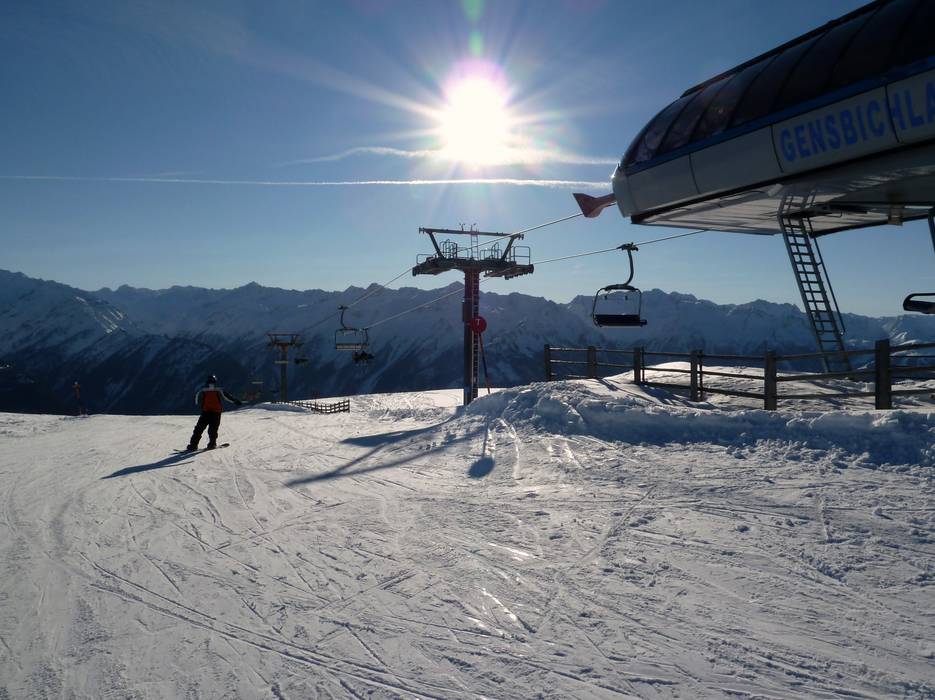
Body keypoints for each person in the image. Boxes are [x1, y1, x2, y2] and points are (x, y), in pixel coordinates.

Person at [187, 375, 242, 450]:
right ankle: (212, 444)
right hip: (216, 413)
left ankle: (193, 445)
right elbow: (228, 397)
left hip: (205, 412)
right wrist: (236, 401)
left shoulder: (202, 390)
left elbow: (196, 400)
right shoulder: (219, 390)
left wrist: (201, 405)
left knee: (199, 429)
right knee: (213, 429)